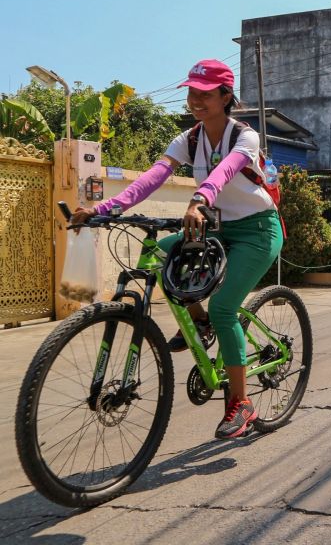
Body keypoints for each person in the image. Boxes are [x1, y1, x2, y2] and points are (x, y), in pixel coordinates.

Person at [70, 59, 283, 440]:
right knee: (156, 255)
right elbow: (154, 176)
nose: (195, 101)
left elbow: (225, 172)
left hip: (257, 231)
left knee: (225, 308)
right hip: (216, 228)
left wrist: (200, 198)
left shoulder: (244, 138)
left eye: (204, 94)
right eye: (191, 93)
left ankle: (241, 402)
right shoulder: (190, 139)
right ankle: (198, 322)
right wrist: (104, 208)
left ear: (225, 96)